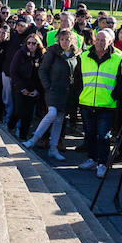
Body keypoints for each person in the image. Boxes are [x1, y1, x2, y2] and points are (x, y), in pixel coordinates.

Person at [77, 28, 122, 177]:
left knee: (103, 136)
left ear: (110, 41)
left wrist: (113, 97)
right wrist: (80, 94)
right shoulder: (84, 56)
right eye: (97, 40)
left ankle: (102, 163)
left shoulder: (117, 58)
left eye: (103, 40)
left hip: (106, 105)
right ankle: (92, 158)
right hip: (86, 103)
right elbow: (77, 80)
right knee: (90, 134)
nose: (99, 43)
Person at [25, 28, 79, 162]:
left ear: (72, 40)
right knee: (52, 113)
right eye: (62, 39)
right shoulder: (52, 52)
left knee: (60, 119)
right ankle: (33, 139)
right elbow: (42, 70)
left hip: (67, 92)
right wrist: (48, 86)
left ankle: (53, 148)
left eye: (67, 39)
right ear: (58, 40)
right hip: (53, 90)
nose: (65, 42)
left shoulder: (75, 54)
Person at [8, 32, 44, 139]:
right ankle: (10, 127)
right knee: (18, 111)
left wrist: (37, 90)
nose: (31, 45)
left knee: (28, 115)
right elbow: (13, 72)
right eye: (29, 43)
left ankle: (23, 136)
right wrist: (22, 88)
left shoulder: (41, 56)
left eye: (34, 43)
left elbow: (42, 75)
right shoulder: (20, 53)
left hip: (34, 89)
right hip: (20, 87)